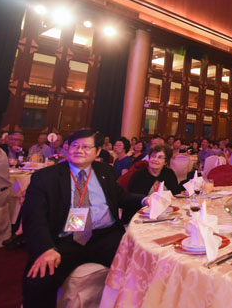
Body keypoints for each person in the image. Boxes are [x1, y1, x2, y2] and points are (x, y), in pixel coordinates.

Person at [21, 129, 145, 307]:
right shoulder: (46, 177)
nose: (79, 150)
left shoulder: (105, 171)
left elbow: (120, 196)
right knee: (38, 281)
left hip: (105, 236)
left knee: (139, 266)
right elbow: (34, 216)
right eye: (75, 146)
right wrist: (46, 248)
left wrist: (145, 200)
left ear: (98, 151)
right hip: (66, 239)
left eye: (86, 147)